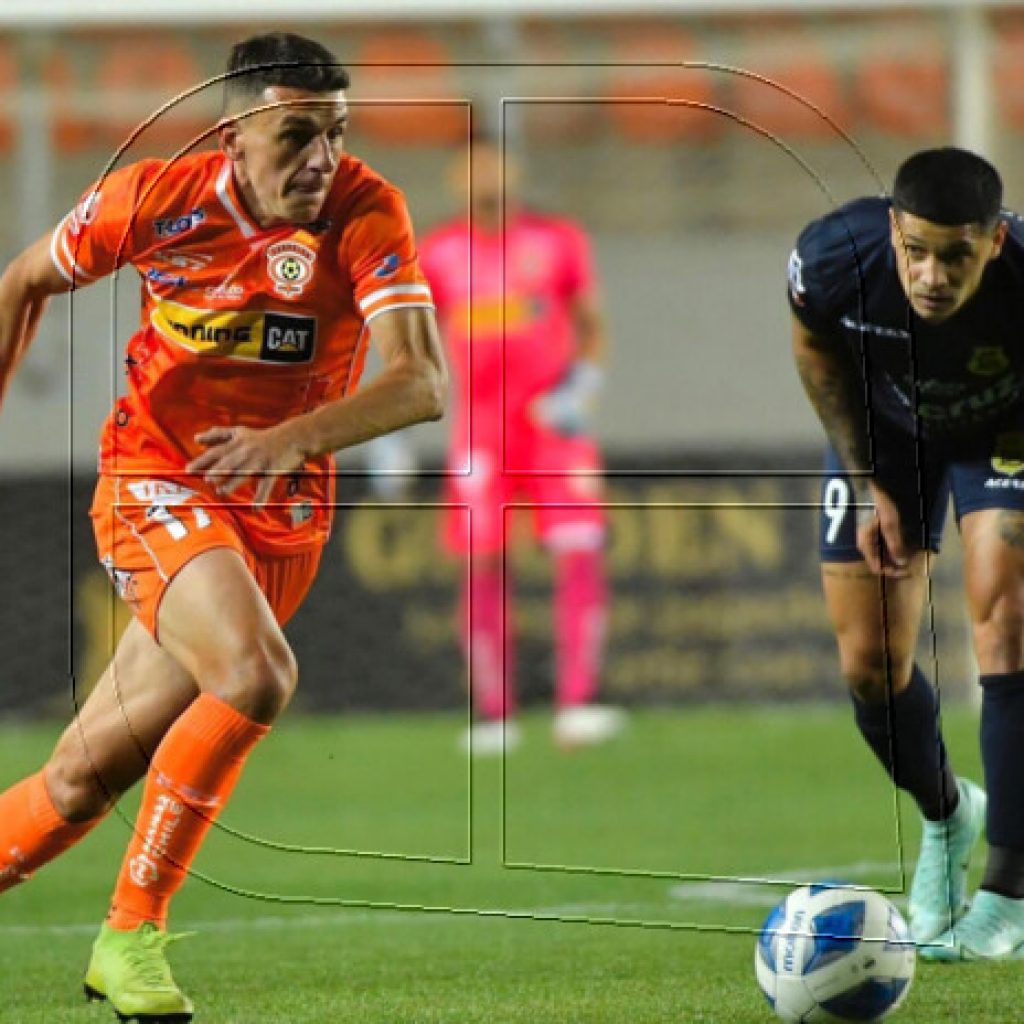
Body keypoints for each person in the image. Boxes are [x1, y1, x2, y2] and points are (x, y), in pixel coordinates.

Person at [0, 31, 446, 1022]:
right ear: (234, 131)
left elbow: (421, 381)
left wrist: (294, 435)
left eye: (335, 132)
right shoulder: (158, 201)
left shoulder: (366, 212)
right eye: (297, 135)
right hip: (154, 475)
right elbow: (23, 278)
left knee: (81, 776)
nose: (321, 159)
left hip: (279, 514)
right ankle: (131, 936)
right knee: (255, 674)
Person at [790, 146, 1024, 961]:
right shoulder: (833, 258)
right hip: (887, 435)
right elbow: (815, 347)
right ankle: (948, 813)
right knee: (869, 663)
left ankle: (1008, 896)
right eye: (916, 250)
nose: (931, 274)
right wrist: (863, 482)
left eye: (955, 255)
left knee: (1003, 619)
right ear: (893, 229)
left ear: (993, 243)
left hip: (1004, 433)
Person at [416, 137, 624, 754]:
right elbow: (417, 346)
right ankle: (495, 713)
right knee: (483, 561)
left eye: (498, 162)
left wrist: (579, 391)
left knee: (577, 549)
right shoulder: (438, 253)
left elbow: (592, 328)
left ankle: (578, 704)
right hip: (480, 429)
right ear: (457, 175)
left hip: (552, 425)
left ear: (516, 169)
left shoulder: (556, 240)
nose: (488, 175)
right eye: (475, 163)